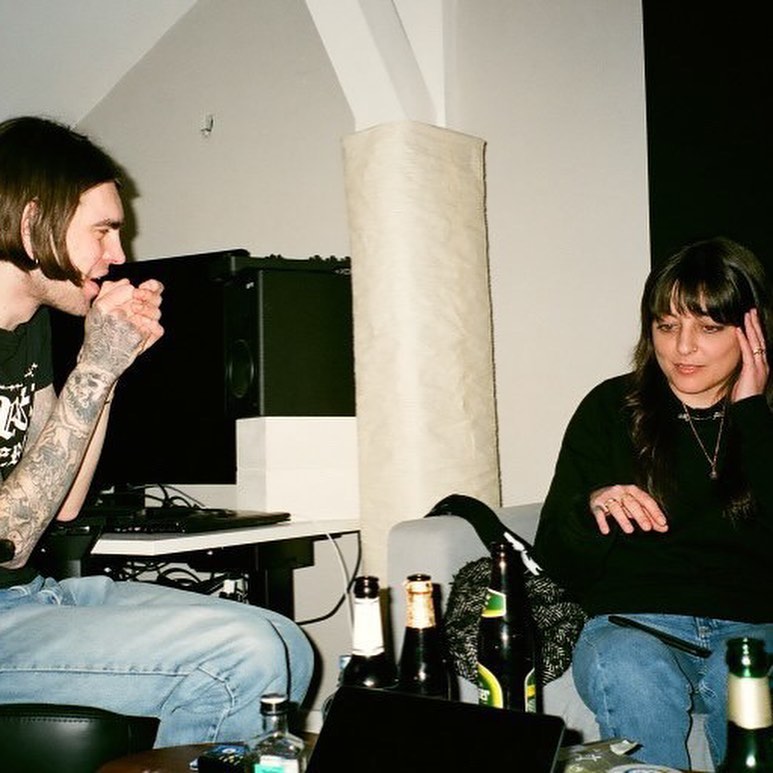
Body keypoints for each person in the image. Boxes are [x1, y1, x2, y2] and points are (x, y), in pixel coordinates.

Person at [0, 116, 313, 747]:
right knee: (242, 658)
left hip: (24, 596)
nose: (119, 255)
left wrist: (108, 369)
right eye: (103, 230)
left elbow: (64, 502)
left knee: (286, 644)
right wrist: (94, 367)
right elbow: (8, 538)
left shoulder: (26, 329)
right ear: (32, 225)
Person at [533, 237, 773, 770]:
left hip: (757, 626)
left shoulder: (766, 421)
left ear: (750, 329)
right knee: (629, 667)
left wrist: (753, 414)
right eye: (667, 326)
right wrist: (592, 508)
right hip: (636, 623)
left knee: (744, 681)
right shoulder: (610, 408)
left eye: (708, 328)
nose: (683, 348)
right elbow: (554, 559)